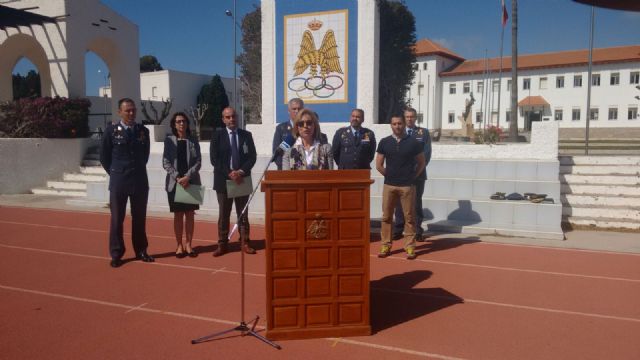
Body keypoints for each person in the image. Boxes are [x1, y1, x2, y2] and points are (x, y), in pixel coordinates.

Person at [100, 98, 154, 268]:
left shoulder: (143, 131)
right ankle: (116, 253)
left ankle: (141, 250)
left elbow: (145, 156)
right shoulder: (111, 131)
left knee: (139, 218)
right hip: (119, 181)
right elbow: (104, 157)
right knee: (117, 219)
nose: (131, 113)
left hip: (139, 180)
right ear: (119, 112)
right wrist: (116, 173)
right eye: (127, 110)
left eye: (133, 110)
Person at [375, 114, 426, 260]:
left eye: (400, 123)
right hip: (389, 185)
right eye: (394, 124)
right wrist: (389, 175)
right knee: (386, 217)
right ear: (391, 125)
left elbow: (421, 162)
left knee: (409, 218)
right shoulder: (384, 142)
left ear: (404, 124)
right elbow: (378, 164)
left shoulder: (414, 142)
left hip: (407, 186)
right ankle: (385, 244)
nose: (397, 126)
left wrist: (413, 177)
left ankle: (410, 246)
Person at [210, 107, 257, 257]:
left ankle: (245, 242)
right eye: (228, 117)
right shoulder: (217, 136)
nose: (231, 119)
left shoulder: (246, 135)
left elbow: (252, 157)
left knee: (243, 214)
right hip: (224, 181)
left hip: (242, 179)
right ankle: (222, 244)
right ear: (223, 119)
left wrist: (240, 172)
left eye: (233, 116)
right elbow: (214, 159)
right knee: (224, 214)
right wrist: (230, 173)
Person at [162, 112, 202, 258]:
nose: (181, 124)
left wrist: (187, 176)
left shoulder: (193, 140)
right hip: (175, 183)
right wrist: (178, 177)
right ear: (174, 124)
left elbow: (198, 161)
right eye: (178, 121)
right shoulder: (169, 141)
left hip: (191, 181)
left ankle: (189, 244)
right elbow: (165, 162)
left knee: (190, 215)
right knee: (178, 215)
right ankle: (179, 245)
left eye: (184, 121)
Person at [393, 108, 432, 241]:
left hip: (418, 175)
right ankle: (398, 228)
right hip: (401, 175)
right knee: (399, 202)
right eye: (407, 117)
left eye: (412, 117)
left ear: (416, 118)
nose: (409, 119)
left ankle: (417, 231)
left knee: (416, 203)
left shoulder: (423, 133)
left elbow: (426, 154)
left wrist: (415, 171)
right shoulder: (398, 132)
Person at [272, 98, 303, 170]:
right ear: (289, 111)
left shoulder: (309, 128)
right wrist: (287, 168)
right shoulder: (281, 128)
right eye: (294, 109)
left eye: (299, 109)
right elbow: (277, 153)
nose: (297, 111)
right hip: (285, 171)